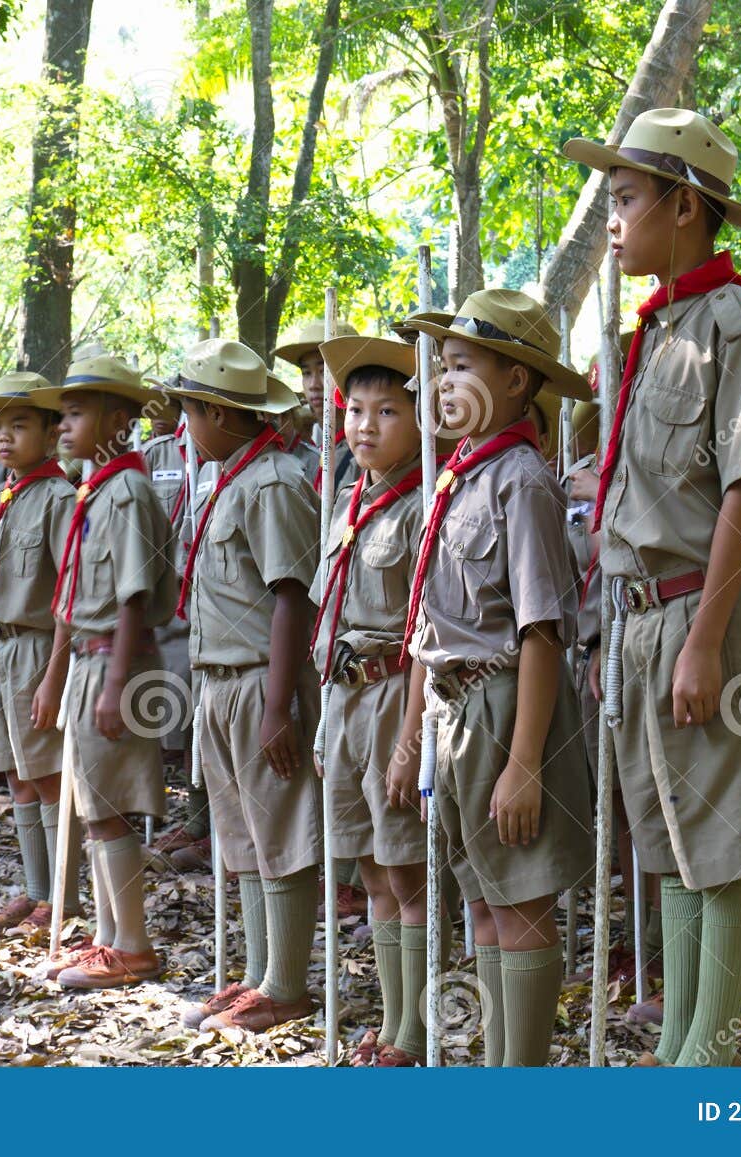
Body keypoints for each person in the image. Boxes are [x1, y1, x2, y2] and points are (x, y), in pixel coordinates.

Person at [563, 107, 741, 1066]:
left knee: (724, 835)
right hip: (638, 621)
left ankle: (710, 1049)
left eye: (625, 199)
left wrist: (705, 637)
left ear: (684, 203)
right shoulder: (649, 333)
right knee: (666, 836)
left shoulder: (738, 325)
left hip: (704, 611)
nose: (612, 220)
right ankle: (677, 1043)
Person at [406, 289, 595, 1066]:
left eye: (463, 366)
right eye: (442, 368)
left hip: (509, 707)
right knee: (482, 896)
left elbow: (542, 629)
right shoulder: (461, 479)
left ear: (518, 381)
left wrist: (523, 764)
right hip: (456, 712)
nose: (444, 384)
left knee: (519, 902)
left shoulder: (520, 479)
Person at [165, 339, 322, 1031]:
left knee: (280, 827)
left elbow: (292, 594)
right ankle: (260, 973)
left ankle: (286, 981)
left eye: (191, 412)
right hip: (219, 679)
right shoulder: (225, 477)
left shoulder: (274, 481)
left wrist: (278, 704)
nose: (184, 427)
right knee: (244, 835)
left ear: (222, 414)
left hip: (262, 678)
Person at [309, 334, 433, 1065]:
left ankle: (414, 1031)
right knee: (373, 871)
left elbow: (424, 632)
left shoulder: (421, 506)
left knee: (407, 869)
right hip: (346, 701)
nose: (365, 424)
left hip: (393, 699)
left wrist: (412, 736)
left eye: (388, 410)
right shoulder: (348, 502)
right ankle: (390, 1024)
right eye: (355, 409)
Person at [38, 353, 176, 988]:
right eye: (62, 414)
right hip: (89, 662)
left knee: (112, 806)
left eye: (75, 413)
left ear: (117, 420)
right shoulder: (93, 489)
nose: (62, 425)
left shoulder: (126, 492)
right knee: (95, 805)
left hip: (115, 663)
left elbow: (132, 595)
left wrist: (118, 682)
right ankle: (109, 935)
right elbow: (72, 593)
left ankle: (135, 944)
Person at [0, 373, 84, 936]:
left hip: (38, 652)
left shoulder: (60, 498)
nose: (4, 438)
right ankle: (36, 893)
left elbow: (69, 598)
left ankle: (62, 899)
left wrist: (53, 678)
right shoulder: (2, 494)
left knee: (50, 777)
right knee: (16, 778)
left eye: (19, 425)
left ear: (51, 431)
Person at [140, 385, 206, 866]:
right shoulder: (154, 455)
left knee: (202, 720)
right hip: (167, 607)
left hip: (211, 605)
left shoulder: (220, 453)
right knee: (168, 717)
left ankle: (205, 822)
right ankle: (182, 814)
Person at [272, 319, 359, 494]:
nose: (314, 384)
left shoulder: (366, 449)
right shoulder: (321, 450)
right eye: (306, 373)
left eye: (324, 372)